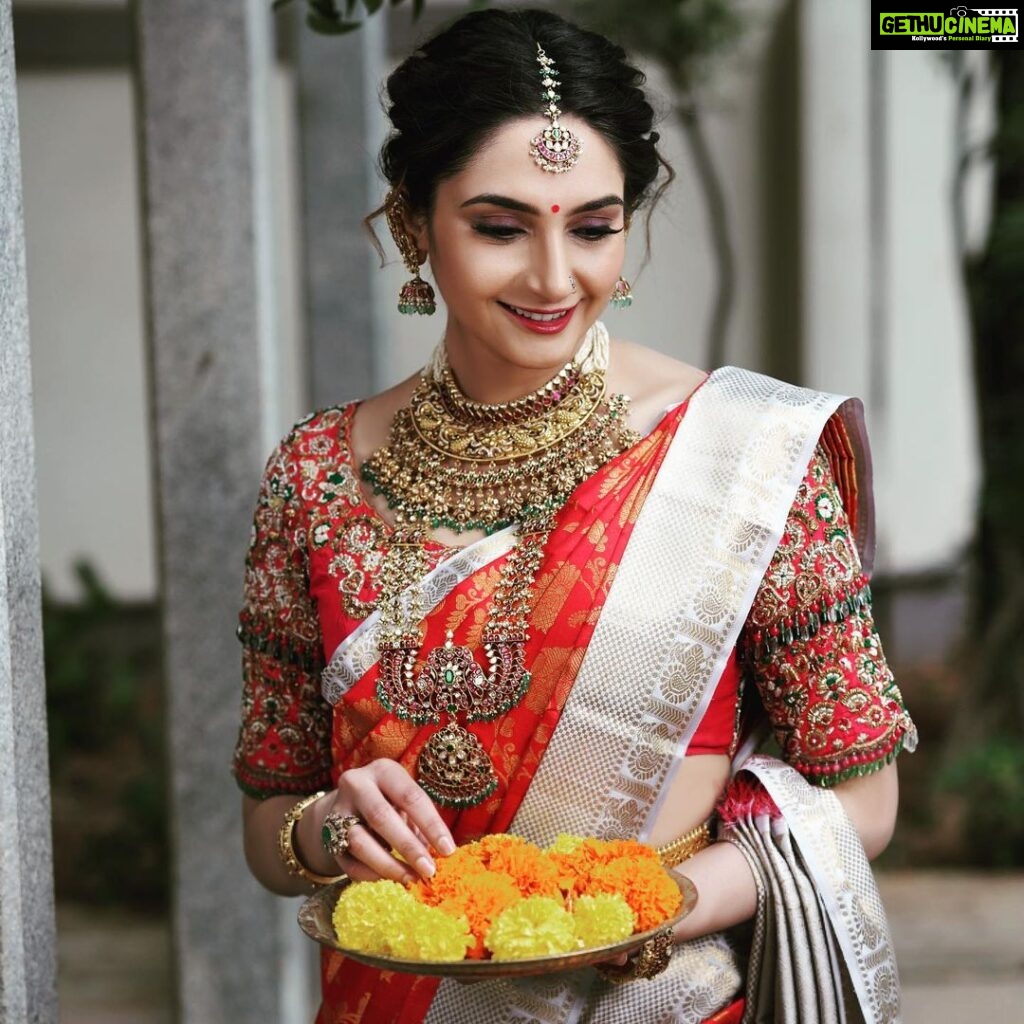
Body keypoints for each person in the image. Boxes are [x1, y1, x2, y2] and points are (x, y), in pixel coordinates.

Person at [232, 8, 917, 1023]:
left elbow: (860, 800)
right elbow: (268, 823)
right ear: (414, 224)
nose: (555, 278)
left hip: (654, 998)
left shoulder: (733, 454)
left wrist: (668, 902)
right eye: (501, 227)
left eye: (593, 227)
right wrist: (329, 829)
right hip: (395, 998)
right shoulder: (316, 473)